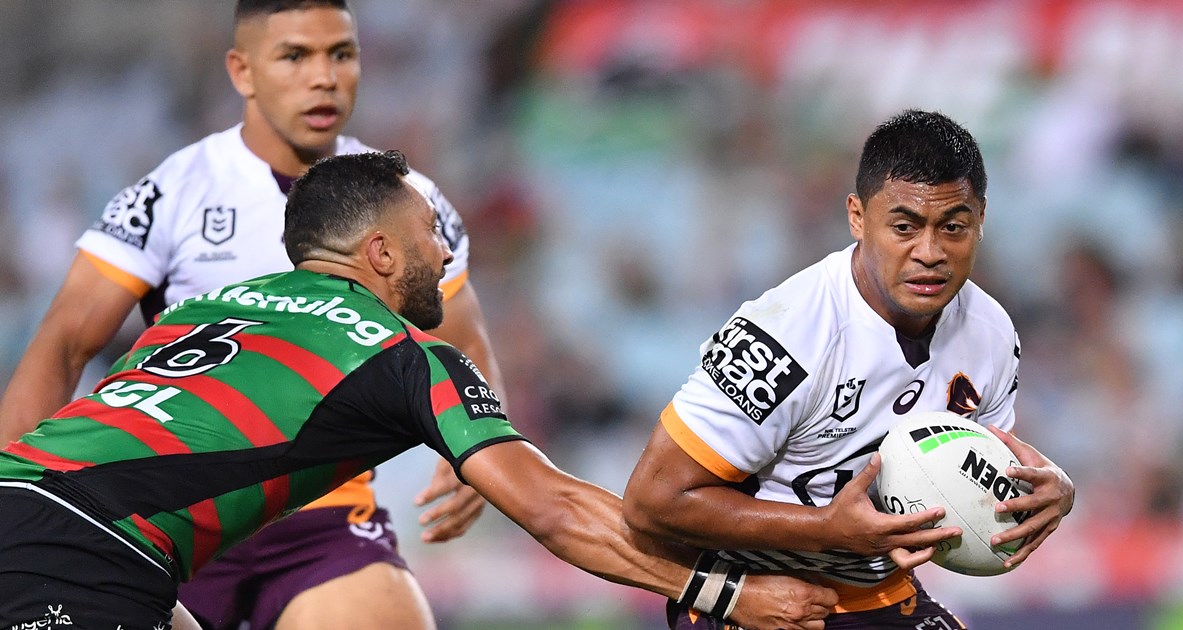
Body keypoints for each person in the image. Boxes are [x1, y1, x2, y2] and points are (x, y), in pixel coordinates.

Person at [0, 151, 838, 630]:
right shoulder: (404, 356)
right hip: (84, 554)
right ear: (380, 253)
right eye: (431, 233)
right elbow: (552, 507)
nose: (444, 254)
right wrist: (730, 592)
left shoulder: (208, 307)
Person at [0, 2, 498, 628]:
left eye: (341, 54)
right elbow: (63, 344)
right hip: (165, 518)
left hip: (320, 522)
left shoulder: (411, 202)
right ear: (242, 71)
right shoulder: (173, 193)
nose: (324, 77)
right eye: (295, 56)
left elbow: (466, 341)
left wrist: (476, 457)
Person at [622, 110, 1076, 629]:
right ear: (857, 217)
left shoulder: (991, 332)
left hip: (879, 593)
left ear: (981, 219)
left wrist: (1052, 493)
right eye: (904, 227)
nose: (930, 253)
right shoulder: (783, 336)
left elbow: (969, 485)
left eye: (953, 227)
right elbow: (653, 501)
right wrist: (824, 528)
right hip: (753, 595)